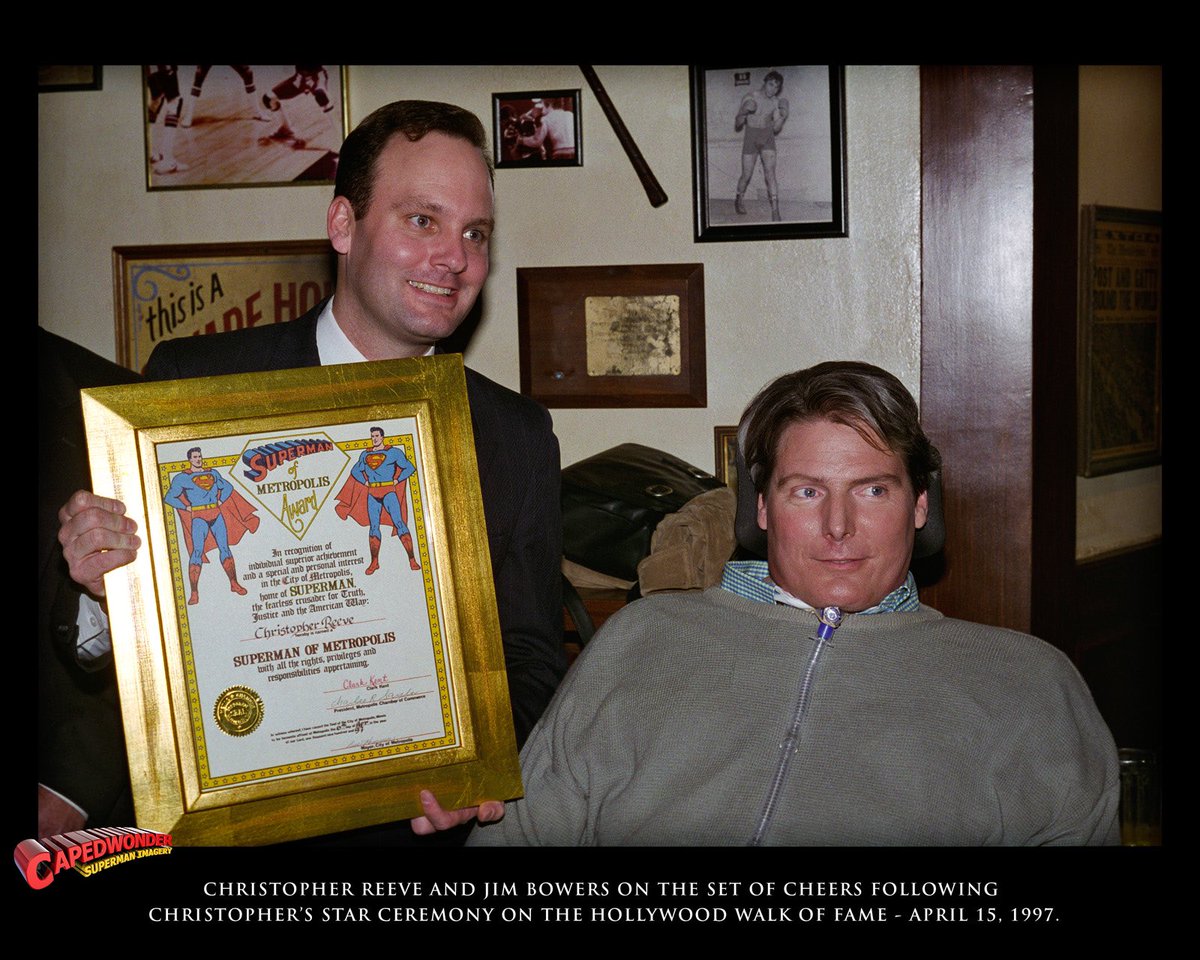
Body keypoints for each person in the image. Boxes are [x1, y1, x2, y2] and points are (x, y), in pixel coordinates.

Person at [56, 100, 567, 838]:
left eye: (474, 233)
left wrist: (478, 768)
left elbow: (530, 656)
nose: (455, 257)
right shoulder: (190, 390)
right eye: (422, 220)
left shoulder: (516, 434)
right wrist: (105, 591)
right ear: (343, 226)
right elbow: (113, 669)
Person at [470, 361, 1119, 846]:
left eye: (872, 491)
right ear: (760, 509)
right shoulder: (640, 641)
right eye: (807, 493)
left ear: (921, 505)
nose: (839, 527)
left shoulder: (1028, 685)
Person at [163, 446, 257, 603]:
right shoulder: (182, 478)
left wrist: (220, 500)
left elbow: (227, 487)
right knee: (197, 552)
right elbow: (170, 497)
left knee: (225, 548)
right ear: (190, 459)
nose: (198, 459)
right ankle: (194, 592)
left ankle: (234, 583)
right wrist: (186, 507)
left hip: (216, 514)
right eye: (195, 457)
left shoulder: (213, 473)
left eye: (199, 456)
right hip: (198, 517)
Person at [337, 426, 421, 574]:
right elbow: (356, 470)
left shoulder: (393, 452)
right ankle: (374, 562)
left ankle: (412, 559)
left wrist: (397, 479)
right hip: (372, 493)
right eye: (372, 436)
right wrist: (365, 482)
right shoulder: (365, 454)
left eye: (376, 436)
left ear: (382, 436)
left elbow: (409, 467)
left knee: (399, 522)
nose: (374, 438)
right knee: (374, 527)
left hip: (389, 492)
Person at [734, 70, 788, 222]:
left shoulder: (775, 102)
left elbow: (776, 129)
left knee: (770, 173)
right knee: (746, 175)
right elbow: (737, 123)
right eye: (771, 85)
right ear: (765, 82)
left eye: (776, 87)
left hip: (767, 136)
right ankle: (739, 198)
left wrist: (783, 117)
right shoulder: (751, 97)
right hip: (751, 136)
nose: (773, 89)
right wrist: (744, 111)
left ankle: (775, 210)